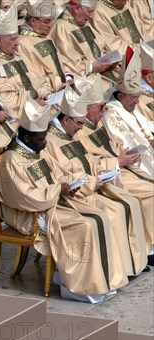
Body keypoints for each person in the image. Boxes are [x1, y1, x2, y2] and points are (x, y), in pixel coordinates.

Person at [0, 99, 129, 303]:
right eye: (41, 139)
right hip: (28, 212)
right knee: (84, 225)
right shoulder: (10, 160)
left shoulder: (36, 151)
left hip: (51, 201)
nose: (46, 143)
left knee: (101, 216)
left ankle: (98, 280)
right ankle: (75, 286)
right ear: (27, 138)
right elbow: (22, 196)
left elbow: (57, 173)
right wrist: (58, 189)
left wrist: (70, 183)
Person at [45, 84, 148, 278]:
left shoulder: (72, 132)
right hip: (77, 193)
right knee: (116, 210)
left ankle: (130, 264)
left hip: (93, 182)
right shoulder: (50, 141)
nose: (82, 128)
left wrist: (103, 170)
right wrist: (94, 179)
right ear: (66, 119)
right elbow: (61, 172)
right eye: (100, 107)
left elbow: (88, 159)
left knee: (130, 203)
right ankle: (113, 272)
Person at [76, 74, 154, 257]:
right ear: (86, 109)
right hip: (108, 175)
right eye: (100, 108)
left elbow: (114, 143)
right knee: (150, 193)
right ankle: (148, 250)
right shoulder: (79, 132)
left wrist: (125, 154)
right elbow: (87, 163)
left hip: (122, 168)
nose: (104, 112)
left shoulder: (98, 121)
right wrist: (117, 162)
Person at [0, 4, 44, 120]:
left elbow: (37, 78)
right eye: (13, 39)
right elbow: (4, 99)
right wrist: (33, 103)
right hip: (22, 116)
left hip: (40, 105)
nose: (17, 43)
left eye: (17, 38)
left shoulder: (16, 55)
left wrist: (46, 95)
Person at [103, 47, 154, 178]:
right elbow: (128, 142)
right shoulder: (111, 112)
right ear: (120, 97)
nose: (137, 102)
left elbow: (147, 128)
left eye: (138, 97)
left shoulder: (130, 108)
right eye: (133, 98)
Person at [49, 0, 119, 83]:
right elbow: (66, 62)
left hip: (101, 74)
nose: (91, 17)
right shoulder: (60, 27)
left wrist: (109, 61)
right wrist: (91, 67)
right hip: (85, 78)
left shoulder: (83, 23)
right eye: (89, 12)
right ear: (77, 8)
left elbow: (99, 47)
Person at [17, 0, 68, 97]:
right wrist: (50, 91)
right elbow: (32, 75)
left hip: (62, 89)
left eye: (51, 20)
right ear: (33, 21)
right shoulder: (22, 42)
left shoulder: (45, 36)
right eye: (46, 21)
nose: (50, 25)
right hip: (47, 95)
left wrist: (68, 79)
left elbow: (59, 63)